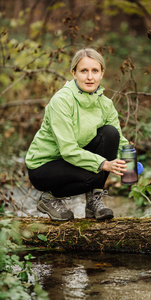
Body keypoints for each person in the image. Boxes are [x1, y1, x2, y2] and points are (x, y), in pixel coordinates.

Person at [25, 48, 129, 221]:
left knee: (110, 134)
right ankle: (48, 199)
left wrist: (128, 160)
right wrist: (103, 164)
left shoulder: (105, 103)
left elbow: (118, 138)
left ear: (102, 73)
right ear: (74, 73)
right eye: (83, 71)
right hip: (44, 165)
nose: (90, 77)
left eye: (95, 71)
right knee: (95, 174)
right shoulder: (62, 101)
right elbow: (67, 150)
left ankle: (93, 202)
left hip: (72, 160)